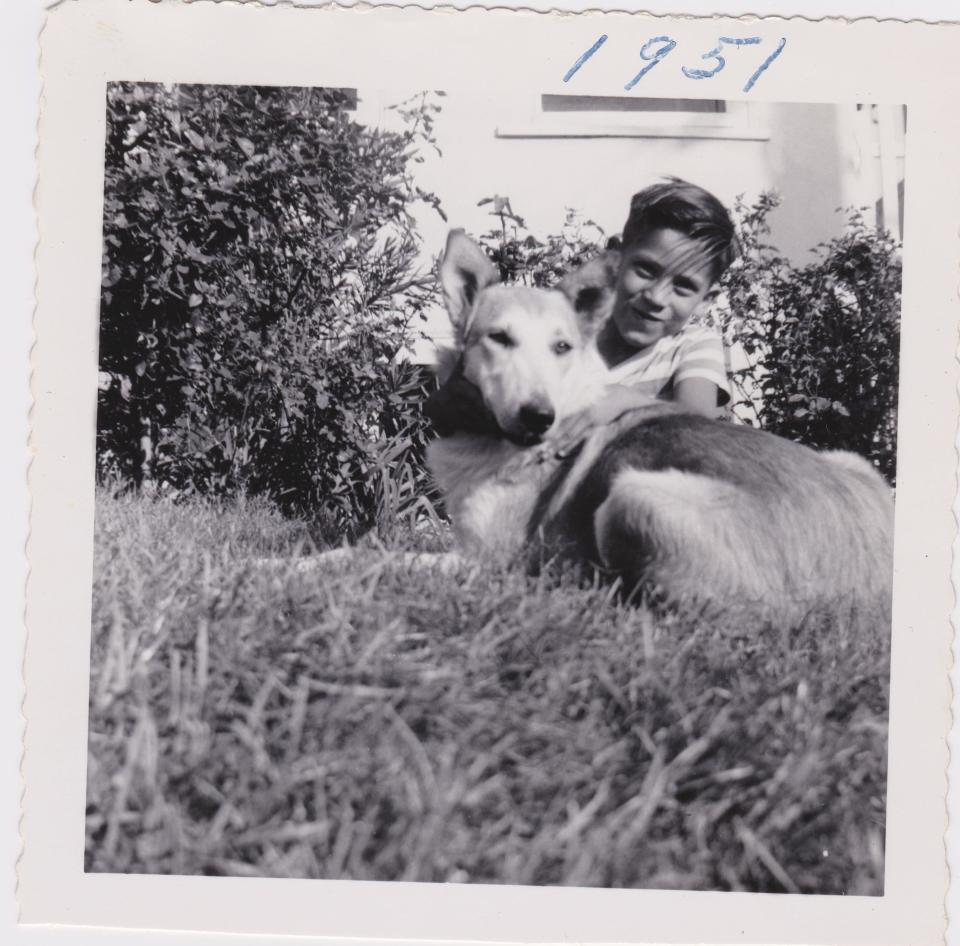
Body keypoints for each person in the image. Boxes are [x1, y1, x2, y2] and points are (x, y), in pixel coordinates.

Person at [424, 177, 739, 446]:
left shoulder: (693, 345)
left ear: (705, 300)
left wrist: (623, 402)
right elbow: (444, 409)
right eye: (645, 270)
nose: (656, 297)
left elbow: (697, 423)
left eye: (683, 286)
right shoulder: (566, 327)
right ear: (615, 261)